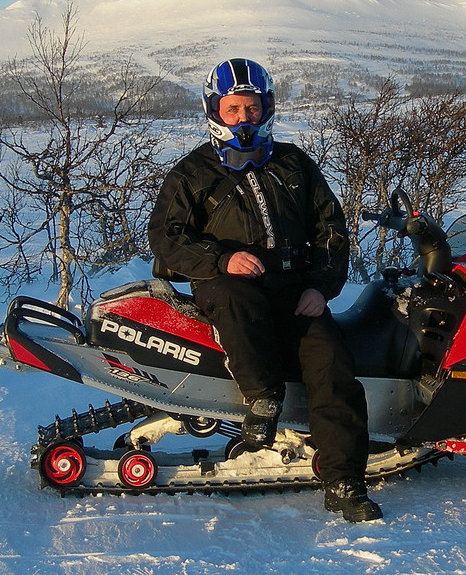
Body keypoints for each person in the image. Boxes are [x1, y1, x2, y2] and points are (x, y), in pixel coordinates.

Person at [147, 58, 382, 523]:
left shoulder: (294, 162)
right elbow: (166, 237)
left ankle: (343, 480)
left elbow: (331, 229)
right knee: (237, 296)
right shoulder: (193, 173)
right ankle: (262, 396)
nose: (243, 119)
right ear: (215, 109)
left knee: (333, 366)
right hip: (228, 287)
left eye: (251, 109)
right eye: (233, 109)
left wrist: (321, 286)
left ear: (266, 108)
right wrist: (220, 259)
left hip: (296, 290)